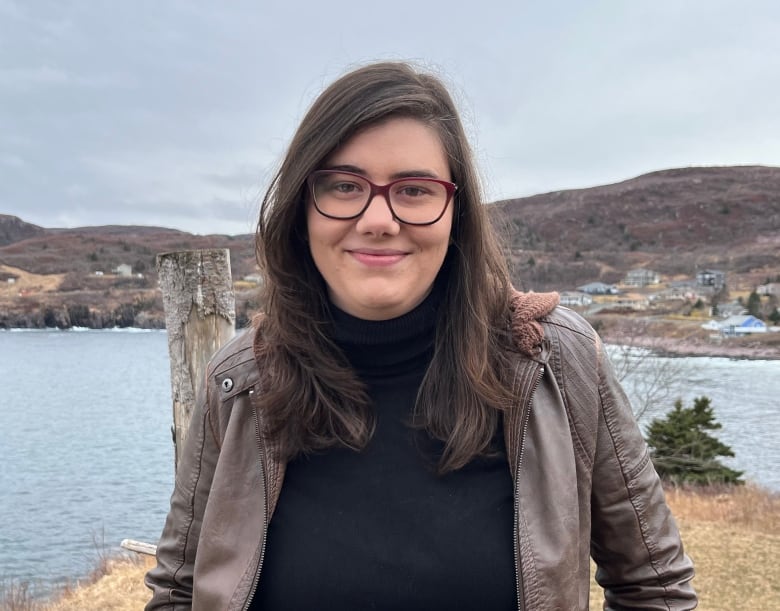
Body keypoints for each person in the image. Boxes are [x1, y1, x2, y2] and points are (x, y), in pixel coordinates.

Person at [145, 61, 697, 610]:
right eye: (343, 185)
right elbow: (178, 592)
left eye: (413, 189)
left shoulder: (558, 361)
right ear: (300, 207)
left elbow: (655, 587)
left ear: (456, 210)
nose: (378, 219)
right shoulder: (240, 382)